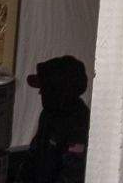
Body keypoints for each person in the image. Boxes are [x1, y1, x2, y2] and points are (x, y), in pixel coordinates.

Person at [16, 55, 89, 183]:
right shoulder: (48, 115)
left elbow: (72, 173)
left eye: (44, 89)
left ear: (58, 90)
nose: (40, 93)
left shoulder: (79, 122)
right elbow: (32, 156)